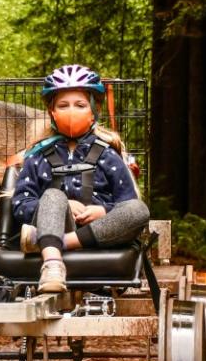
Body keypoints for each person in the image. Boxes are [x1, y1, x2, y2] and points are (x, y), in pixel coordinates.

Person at [11, 65, 150, 295]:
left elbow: (127, 203)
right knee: (54, 196)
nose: (71, 111)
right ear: (52, 111)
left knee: (139, 209)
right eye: (63, 105)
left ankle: (58, 241)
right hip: (53, 222)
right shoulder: (37, 157)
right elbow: (20, 205)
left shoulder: (108, 155)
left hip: (100, 232)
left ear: (93, 110)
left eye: (80, 105)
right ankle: (52, 265)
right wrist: (58, 205)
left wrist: (103, 211)